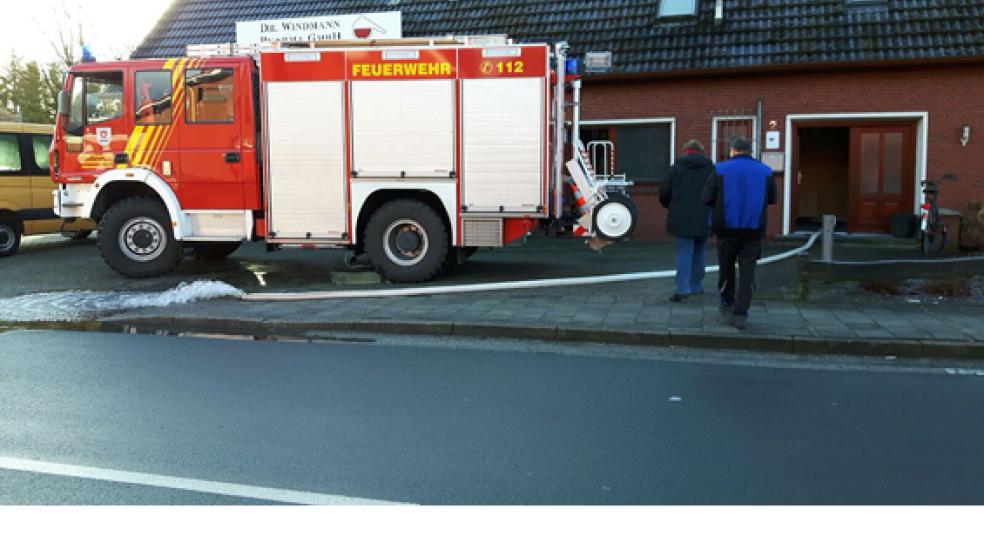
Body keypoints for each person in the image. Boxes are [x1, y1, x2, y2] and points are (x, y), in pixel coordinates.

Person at [703, 137, 777, 330]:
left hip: (726, 230)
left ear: (733, 150)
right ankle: (741, 313)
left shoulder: (720, 170)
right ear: (750, 151)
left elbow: (706, 197)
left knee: (726, 268)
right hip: (753, 231)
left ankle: (727, 303)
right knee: (747, 271)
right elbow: (772, 198)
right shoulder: (766, 171)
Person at [659, 140, 714, 303]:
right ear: (701, 151)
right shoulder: (711, 169)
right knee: (700, 252)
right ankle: (696, 285)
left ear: (685, 151)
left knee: (684, 252)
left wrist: (672, 206)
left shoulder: (675, 168)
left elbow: (664, 192)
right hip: (704, 216)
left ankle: (683, 288)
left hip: (680, 216)